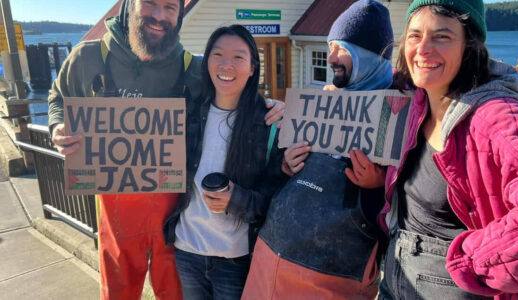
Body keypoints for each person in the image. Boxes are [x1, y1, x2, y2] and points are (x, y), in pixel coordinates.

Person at [47, 1, 283, 299]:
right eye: (150, 4)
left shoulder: (193, 68)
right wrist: (57, 126)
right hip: (115, 209)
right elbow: (58, 98)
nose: (159, 16)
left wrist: (270, 106)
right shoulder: (87, 57)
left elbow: (232, 88)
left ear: (179, 15)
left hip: (174, 220)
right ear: (129, 6)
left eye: (170, 7)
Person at [379, 0, 518, 299]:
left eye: (442, 36)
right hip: (396, 277)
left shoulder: (495, 116)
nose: (424, 48)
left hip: (453, 287)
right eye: (415, 36)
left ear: (469, 46)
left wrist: (471, 260)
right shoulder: (417, 100)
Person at [242, 1, 394, 298]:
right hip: (269, 263)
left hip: (332, 279)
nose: (331, 57)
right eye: (330, 46)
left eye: (343, 49)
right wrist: (286, 166)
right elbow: (282, 179)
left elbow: (402, 215)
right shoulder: (318, 104)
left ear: (370, 57)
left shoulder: (397, 114)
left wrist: (378, 186)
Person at [162, 24, 288, 300]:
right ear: (206, 61)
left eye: (239, 57)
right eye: (217, 55)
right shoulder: (188, 114)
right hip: (187, 250)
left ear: (253, 67)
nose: (226, 65)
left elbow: (276, 203)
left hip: (237, 259)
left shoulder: (271, 124)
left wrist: (236, 199)